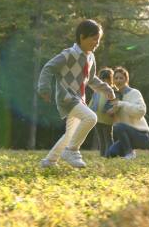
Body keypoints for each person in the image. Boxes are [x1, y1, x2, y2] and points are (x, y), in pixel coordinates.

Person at [36, 19, 115, 168]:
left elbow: (91, 79)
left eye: (98, 40)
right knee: (91, 117)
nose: (97, 43)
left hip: (79, 99)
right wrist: (44, 88)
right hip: (67, 97)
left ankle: (49, 161)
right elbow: (48, 68)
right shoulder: (68, 54)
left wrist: (106, 89)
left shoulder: (91, 57)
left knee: (70, 134)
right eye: (94, 39)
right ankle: (72, 150)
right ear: (82, 36)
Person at [106, 67, 149, 159]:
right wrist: (111, 112)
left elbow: (141, 111)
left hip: (141, 135)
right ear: (113, 81)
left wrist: (122, 104)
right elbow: (110, 114)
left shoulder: (134, 93)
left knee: (119, 126)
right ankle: (128, 150)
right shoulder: (114, 96)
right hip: (126, 136)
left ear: (126, 79)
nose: (118, 80)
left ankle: (129, 153)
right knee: (110, 153)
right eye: (116, 78)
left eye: (121, 78)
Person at [88, 67, 116, 157]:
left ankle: (110, 156)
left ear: (111, 80)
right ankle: (102, 155)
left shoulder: (113, 90)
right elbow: (92, 102)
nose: (104, 82)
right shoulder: (97, 90)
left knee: (108, 138)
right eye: (102, 79)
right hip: (97, 118)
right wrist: (88, 111)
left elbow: (116, 103)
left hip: (108, 119)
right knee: (101, 139)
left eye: (106, 79)